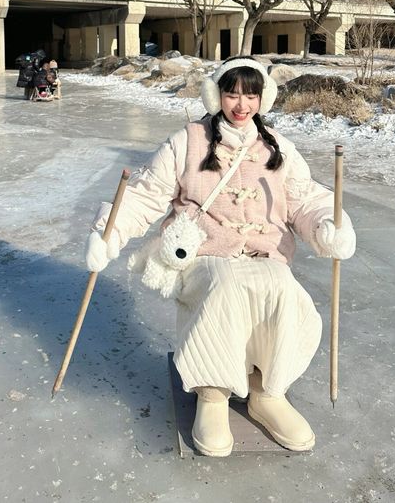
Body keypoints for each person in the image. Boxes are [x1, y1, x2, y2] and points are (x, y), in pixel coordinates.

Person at [85, 56, 356, 458]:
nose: (241, 104)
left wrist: (327, 225)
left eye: (251, 94)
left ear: (263, 98)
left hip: (265, 253)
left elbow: (304, 200)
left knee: (283, 291)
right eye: (232, 92)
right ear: (217, 95)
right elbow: (145, 193)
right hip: (205, 254)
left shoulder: (278, 146)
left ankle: (267, 392)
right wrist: (110, 232)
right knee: (225, 287)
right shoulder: (188, 140)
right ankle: (213, 394)